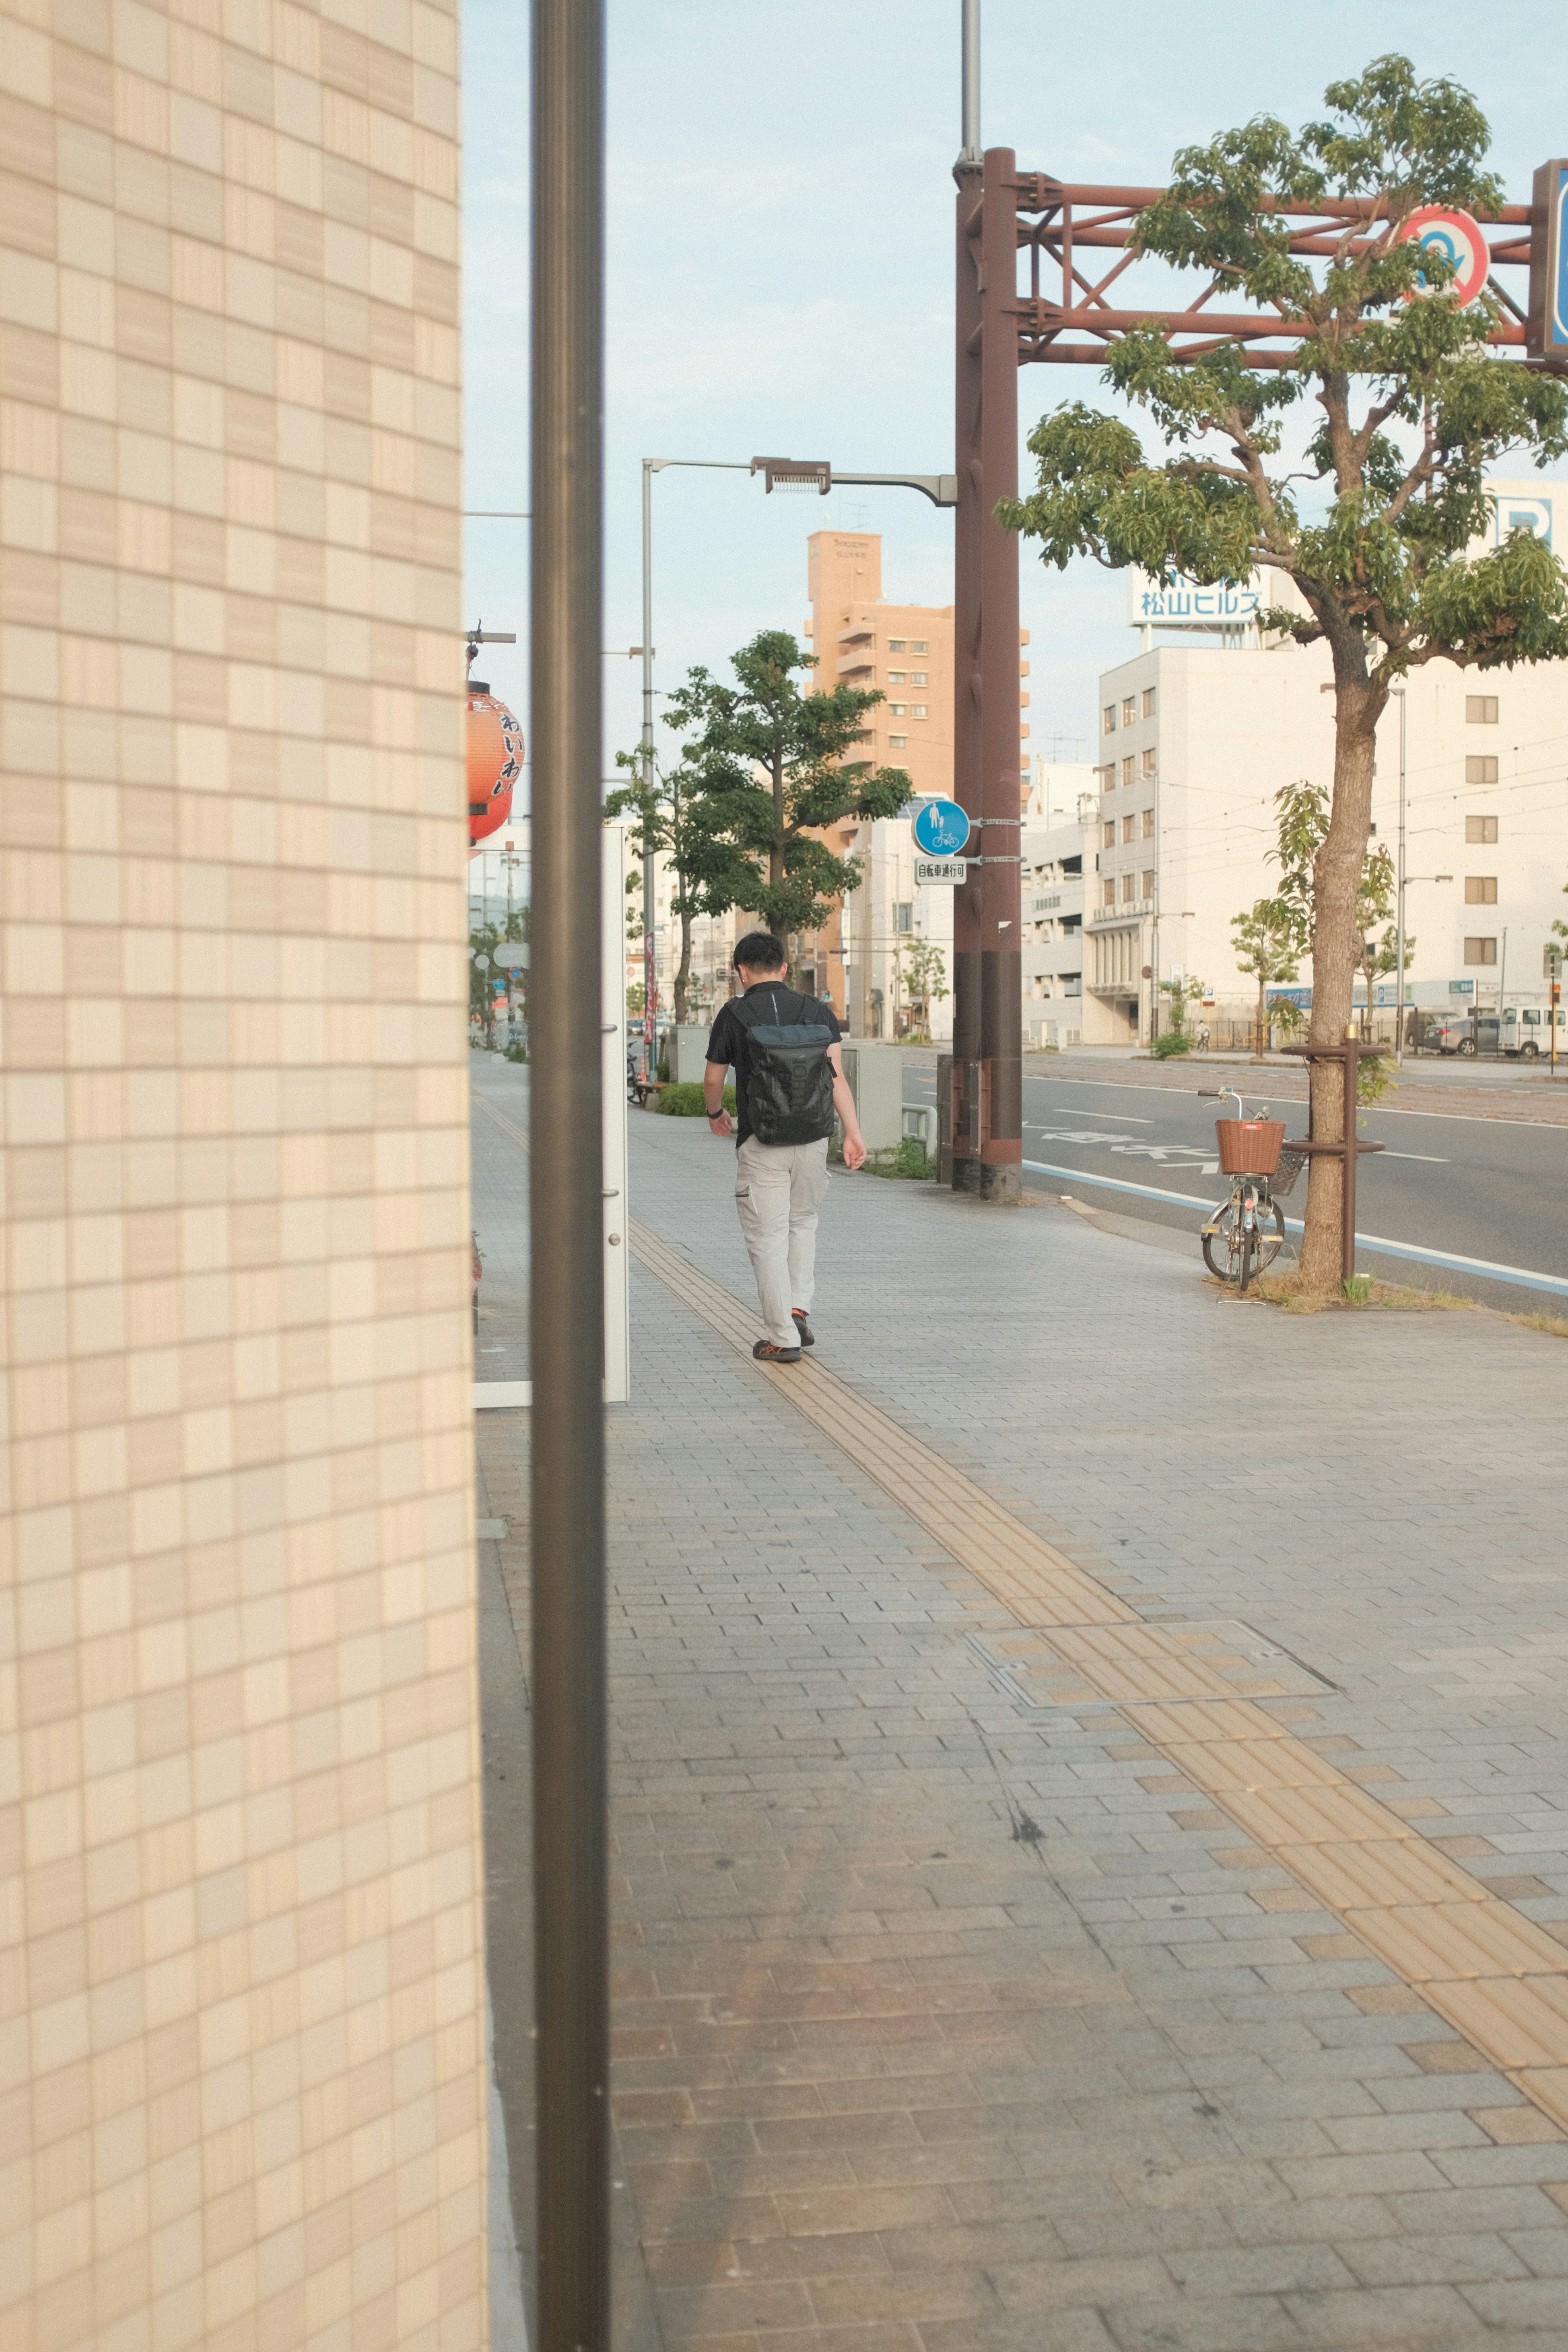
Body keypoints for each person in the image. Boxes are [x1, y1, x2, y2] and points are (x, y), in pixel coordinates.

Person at [703, 932, 867, 1362]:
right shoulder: (816, 1010)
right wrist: (853, 1133)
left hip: (763, 1141)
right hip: (814, 1137)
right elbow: (837, 1077)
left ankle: (783, 1337)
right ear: (784, 968)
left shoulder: (735, 1014)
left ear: (741, 971)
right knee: (803, 1223)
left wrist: (715, 1112)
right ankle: (797, 1309)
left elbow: (713, 1078)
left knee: (767, 1237)